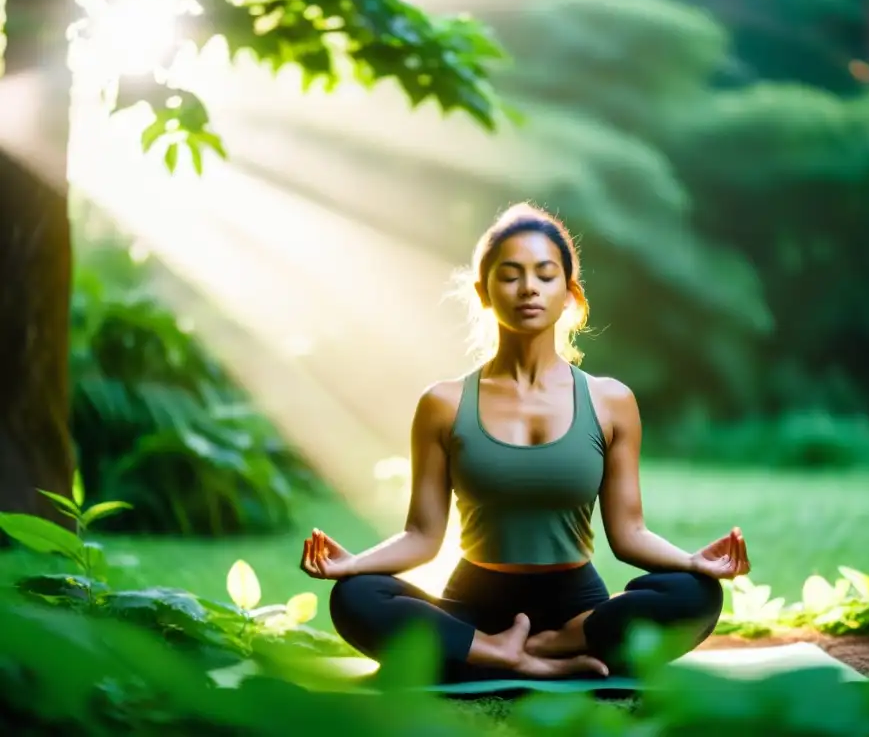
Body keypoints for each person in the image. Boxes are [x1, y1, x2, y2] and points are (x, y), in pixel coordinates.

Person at [299, 202, 751, 682]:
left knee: (696, 594)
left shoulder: (609, 401)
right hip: (473, 609)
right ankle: (506, 655)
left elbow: (629, 534)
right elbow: (421, 536)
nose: (529, 288)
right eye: (510, 274)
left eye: (545, 274)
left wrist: (692, 561)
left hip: (577, 614)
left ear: (569, 293)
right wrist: (352, 565)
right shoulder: (444, 404)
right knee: (355, 596)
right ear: (485, 292)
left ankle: (545, 647)